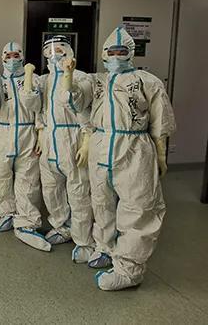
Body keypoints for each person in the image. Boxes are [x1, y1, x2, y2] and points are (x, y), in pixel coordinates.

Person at [84, 27, 176, 291]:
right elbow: (76, 103)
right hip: (101, 145)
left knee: (137, 207)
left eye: (121, 51)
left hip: (134, 147)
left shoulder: (148, 81)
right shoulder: (97, 81)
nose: (115, 56)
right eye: (111, 51)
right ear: (103, 53)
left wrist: (161, 153)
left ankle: (129, 270)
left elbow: (160, 120)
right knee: (101, 201)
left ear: (131, 52)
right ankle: (105, 247)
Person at [0, 42, 50, 251]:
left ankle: (27, 220)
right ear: (2, 58)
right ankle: (8, 211)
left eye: (16, 55)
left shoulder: (34, 79)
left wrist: (40, 133)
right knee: (1, 176)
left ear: (22, 56)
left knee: (28, 178)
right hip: (1, 132)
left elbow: (39, 108)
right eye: (7, 55)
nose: (12, 59)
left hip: (27, 132)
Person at [38, 35, 95, 263]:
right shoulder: (45, 80)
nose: (54, 54)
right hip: (50, 139)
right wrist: (40, 132)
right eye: (49, 50)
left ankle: (83, 240)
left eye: (59, 49)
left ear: (69, 50)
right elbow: (40, 110)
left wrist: (86, 141)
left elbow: (78, 105)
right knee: (51, 188)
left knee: (78, 191)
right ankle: (62, 226)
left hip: (72, 137)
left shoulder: (82, 77)